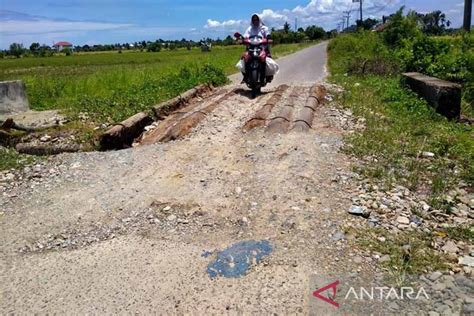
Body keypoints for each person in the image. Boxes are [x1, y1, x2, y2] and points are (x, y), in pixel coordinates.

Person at [241, 14, 273, 83]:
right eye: (253, 20)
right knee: (244, 58)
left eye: (256, 19)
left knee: (268, 58)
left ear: (259, 19)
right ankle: (245, 76)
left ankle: (268, 76)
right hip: (251, 47)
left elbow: (268, 34)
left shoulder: (264, 28)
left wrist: (269, 38)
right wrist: (242, 40)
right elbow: (245, 35)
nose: (255, 21)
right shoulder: (250, 28)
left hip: (262, 47)